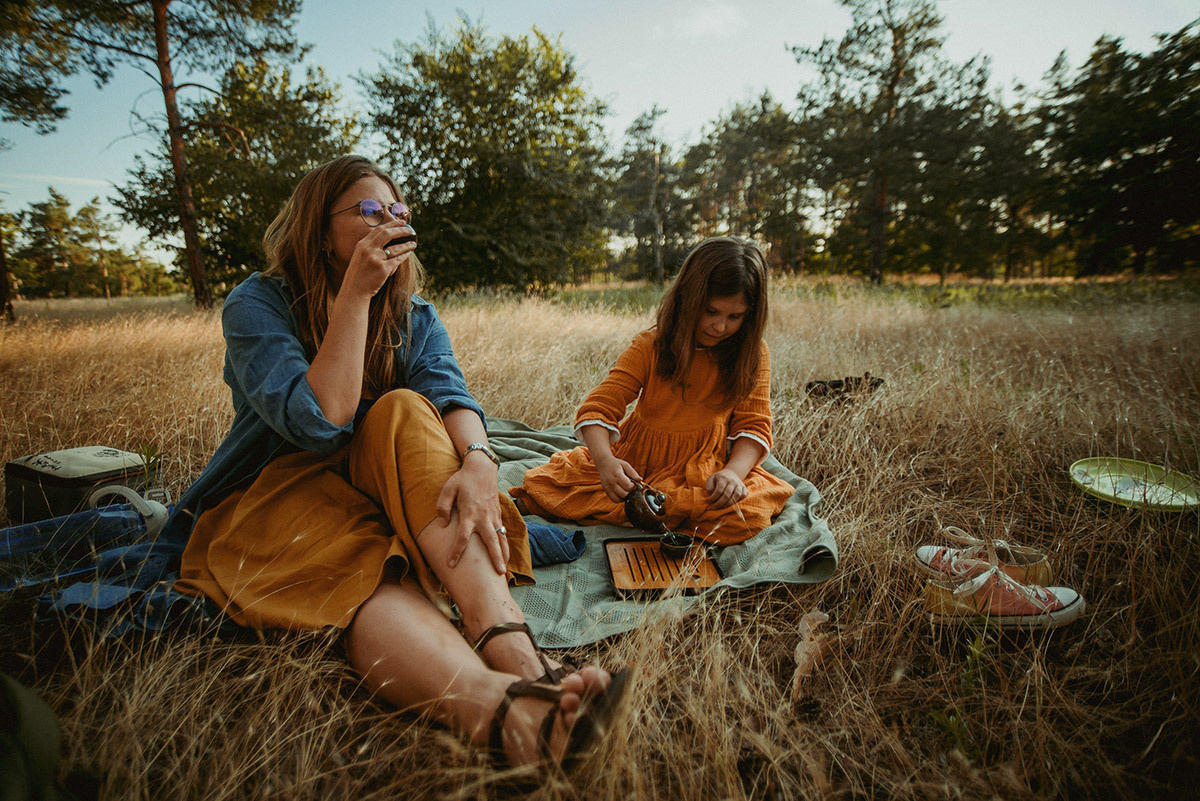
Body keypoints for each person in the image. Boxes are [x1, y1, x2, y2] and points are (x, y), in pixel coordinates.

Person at [166, 155, 626, 773]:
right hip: (274, 492)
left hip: (374, 482)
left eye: (395, 210)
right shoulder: (257, 303)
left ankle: (522, 658)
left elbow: (449, 394)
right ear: (316, 227)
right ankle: (508, 714)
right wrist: (355, 295)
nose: (387, 220)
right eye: (366, 211)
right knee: (369, 568)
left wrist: (481, 461)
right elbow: (320, 421)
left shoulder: (414, 315)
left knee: (408, 408)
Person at [511, 236, 794, 544]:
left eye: (734, 316)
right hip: (638, 465)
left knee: (750, 514)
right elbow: (598, 408)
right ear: (688, 299)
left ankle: (654, 514)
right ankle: (658, 514)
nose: (720, 326)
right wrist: (606, 464)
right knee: (550, 490)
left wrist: (732, 475)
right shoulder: (651, 346)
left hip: (705, 470)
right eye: (710, 311)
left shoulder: (754, 354)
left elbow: (754, 426)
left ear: (750, 315)